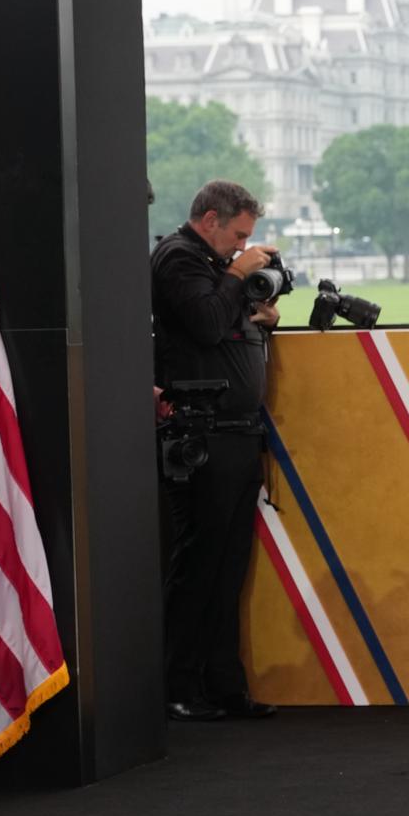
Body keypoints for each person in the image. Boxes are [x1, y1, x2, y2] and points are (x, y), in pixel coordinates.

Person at [151, 180, 280, 723]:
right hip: (202, 434)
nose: (240, 247)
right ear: (209, 220)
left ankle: (224, 684)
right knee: (199, 567)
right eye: (237, 236)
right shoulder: (178, 259)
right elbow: (204, 325)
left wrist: (263, 315)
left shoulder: (212, 265)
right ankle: (178, 686)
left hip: (236, 430)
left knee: (229, 570)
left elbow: (225, 320)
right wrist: (236, 274)